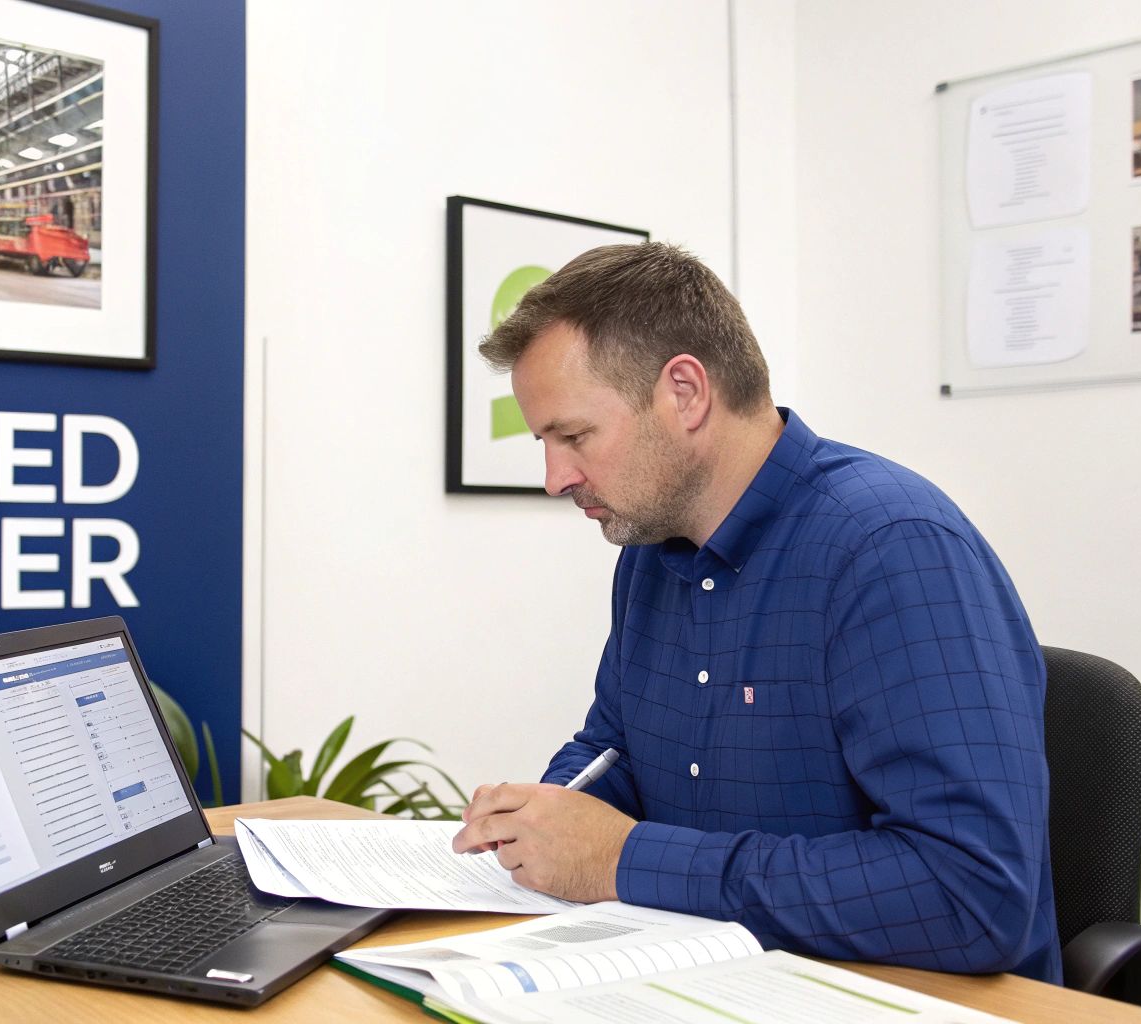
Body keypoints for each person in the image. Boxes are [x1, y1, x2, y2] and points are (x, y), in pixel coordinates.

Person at [449, 243, 1061, 982]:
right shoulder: (651, 552)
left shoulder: (890, 549)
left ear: (684, 392)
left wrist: (622, 858)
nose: (555, 478)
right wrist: (545, 817)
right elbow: (617, 751)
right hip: (718, 979)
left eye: (574, 436)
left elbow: (972, 895)